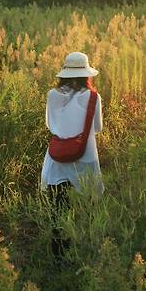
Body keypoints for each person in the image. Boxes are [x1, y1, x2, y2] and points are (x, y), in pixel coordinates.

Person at [41, 51, 103, 260]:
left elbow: (50, 126)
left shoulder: (52, 95)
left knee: (59, 209)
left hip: (57, 159)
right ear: (86, 74)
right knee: (89, 208)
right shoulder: (94, 97)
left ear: (64, 74)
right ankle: (87, 251)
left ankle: (59, 257)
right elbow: (97, 128)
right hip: (85, 158)